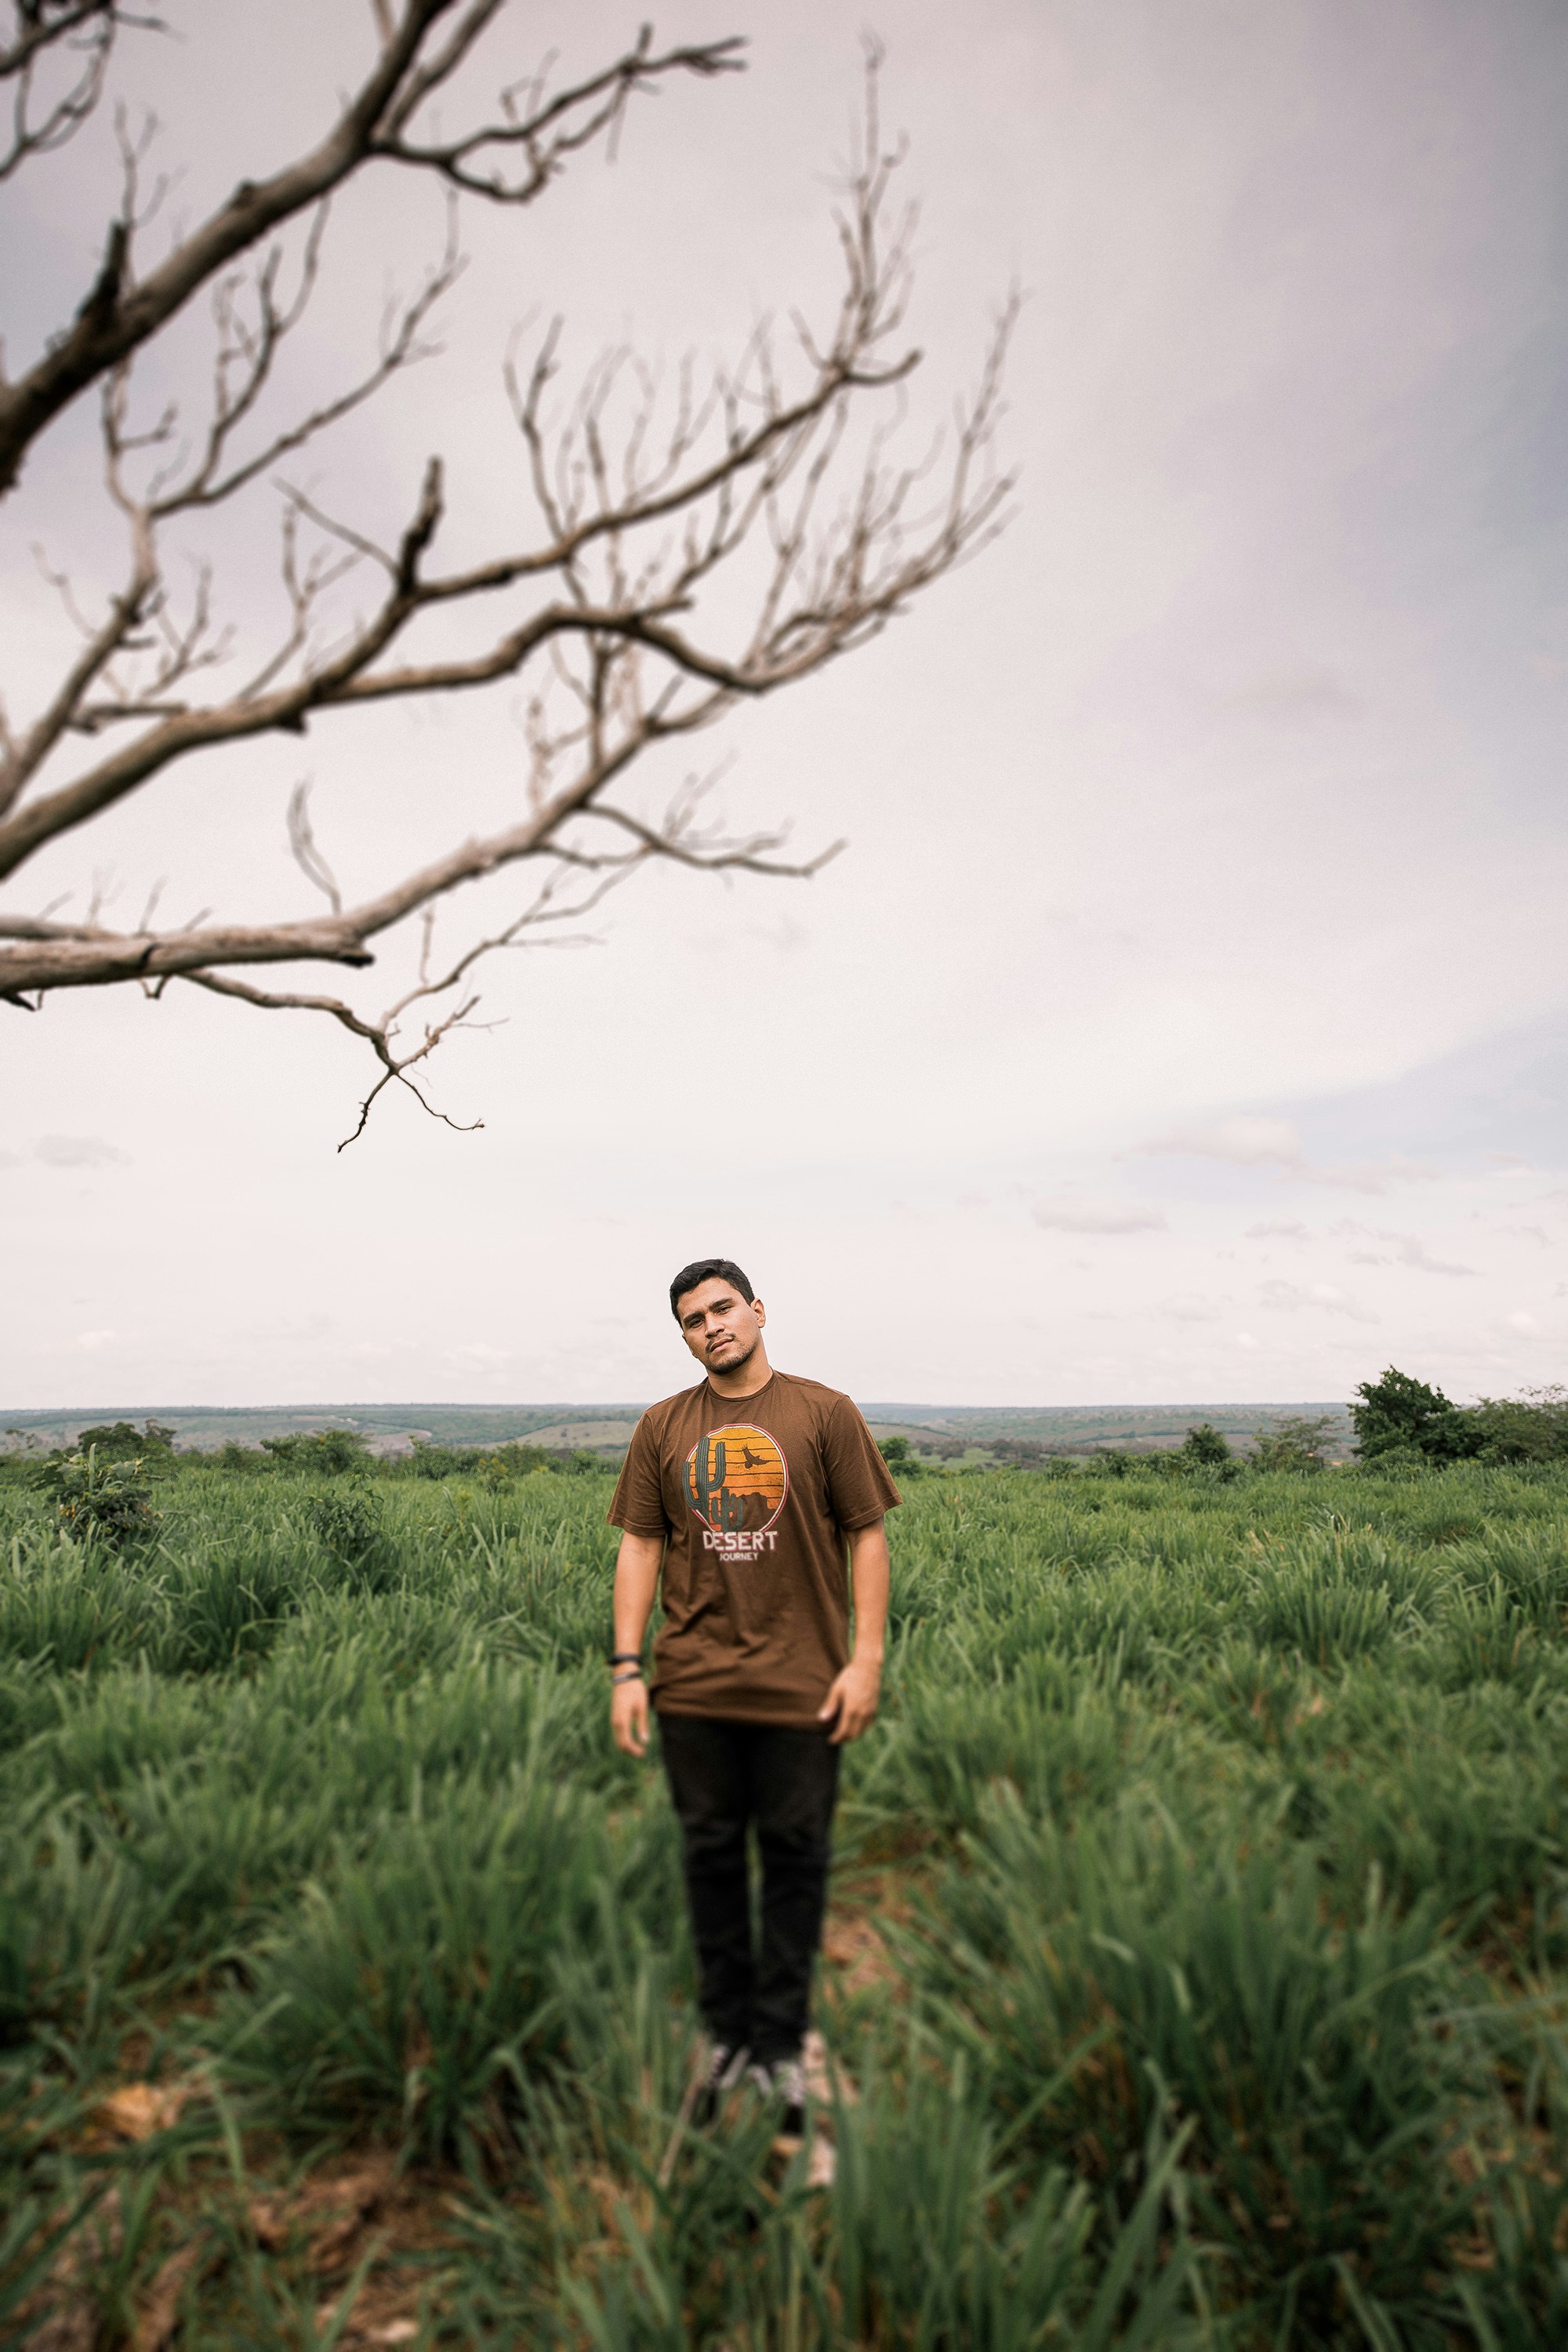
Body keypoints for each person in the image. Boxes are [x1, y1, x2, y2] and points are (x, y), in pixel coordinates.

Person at [608, 1257, 899, 2132]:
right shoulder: (662, 1426)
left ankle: (780, 2045)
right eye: (692, 1320)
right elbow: (640, 1549)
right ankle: (727, 2037)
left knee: (796, 1864)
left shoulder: (823, 1413)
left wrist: (867, 1661)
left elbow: (867, 1536)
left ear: (758, 1310)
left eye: (722, 1309)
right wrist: (627, 1667)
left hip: (803, 1688)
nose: (710, 1327)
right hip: (693, 1686)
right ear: (685, 1336)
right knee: (709, 1865)